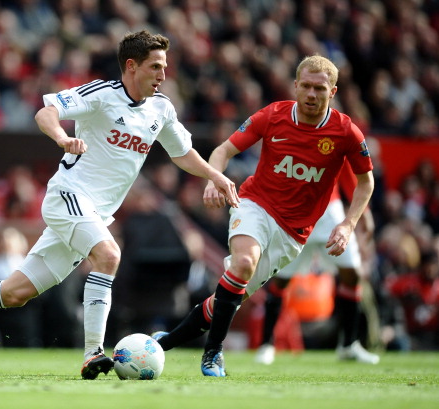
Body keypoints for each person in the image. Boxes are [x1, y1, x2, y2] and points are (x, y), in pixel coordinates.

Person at [0, 30, 239, 379]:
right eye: (155, 67)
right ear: (131, 66)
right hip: (68, 196)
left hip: (93, 214)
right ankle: (93, 353)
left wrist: (215, 176)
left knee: (14, 293)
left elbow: (183, 153)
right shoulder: (102, 95)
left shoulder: (161, 109)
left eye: (164, 68)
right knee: (109, 255)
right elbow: (46, 111)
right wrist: (63, 137)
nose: (163, 76)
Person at [153, 55, 374, 376]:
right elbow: (224, 150)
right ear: (296, 86)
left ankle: (164, 343)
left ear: (333, 91)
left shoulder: (346, 133)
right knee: (243, 263)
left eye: (320, 89)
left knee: (226, 300)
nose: (312, 94)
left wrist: (348, 222)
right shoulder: (273, 115)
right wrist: (215, 178)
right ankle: (213, 353)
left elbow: (366, 181)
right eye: (307, 87)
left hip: (295, 232)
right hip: (255, 204)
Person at [254, 173, 380, 365]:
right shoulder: (293, 141)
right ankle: (266, 345)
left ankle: (349, 345)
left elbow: (349, 173)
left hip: (330, 211)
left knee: (352, 274)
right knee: (281, 277)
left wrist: (365, 211)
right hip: (297, 209)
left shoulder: (342, 140)